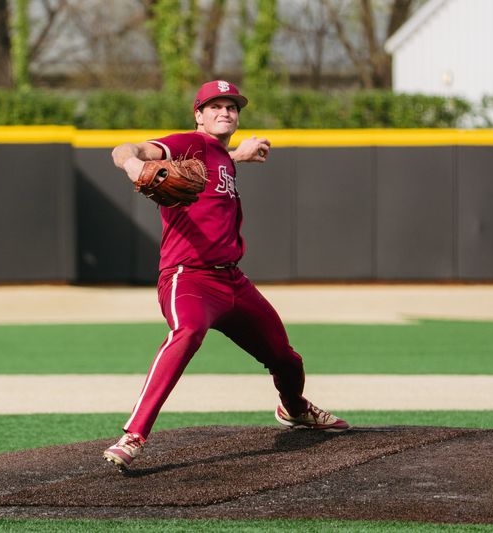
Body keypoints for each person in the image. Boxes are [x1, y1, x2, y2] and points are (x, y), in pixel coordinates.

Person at [104, 80, 349, 470]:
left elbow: (213, 166)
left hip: (233, 280)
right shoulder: (188, 143)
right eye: (215, 106)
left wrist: (238, 155)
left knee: (286, 359)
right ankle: (134, 435)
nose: (225, 112)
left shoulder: (218, 155)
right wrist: (136, 165)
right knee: (186, 335)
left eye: (232, 107)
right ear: (198, 115)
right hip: (189, 278)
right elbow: (123, 150)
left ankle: (295, 408)